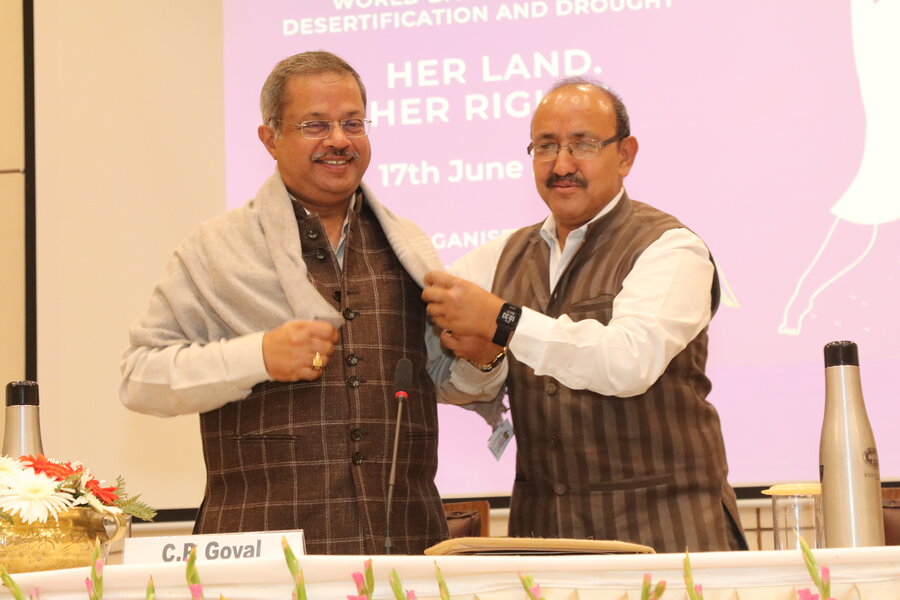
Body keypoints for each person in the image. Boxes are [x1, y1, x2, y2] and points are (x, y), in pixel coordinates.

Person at [121, 51, 461, 554]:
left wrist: (484, 351)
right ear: (270, 139)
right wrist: (257, 356)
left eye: (353, 123)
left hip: (404, 550)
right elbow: (140, 378)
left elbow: (449, 378)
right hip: (260, 556)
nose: (339, 140)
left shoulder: (409, 246)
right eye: (315, 125)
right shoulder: (217, 249)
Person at [423, 78, 748, 553]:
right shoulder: (500, 256)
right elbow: (435, 343)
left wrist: (504, 321)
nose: (562, 165)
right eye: (545, 147)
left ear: (625, 155)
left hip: (668, 537)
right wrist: (482, 360)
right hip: (545, 544)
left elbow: (629, 361)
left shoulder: (671, 248)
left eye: (583, 144)